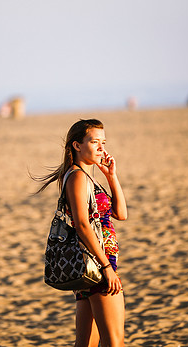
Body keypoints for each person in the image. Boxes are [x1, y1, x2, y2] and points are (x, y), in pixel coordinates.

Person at [33, 119, 128, 347]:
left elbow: (121, 213)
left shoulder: (86, 177)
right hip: (96, 263)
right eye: (94, 142)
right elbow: (83, 225)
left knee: (86, 343)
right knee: (114, 342)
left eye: (103, 142)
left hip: (93, 265)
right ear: (77, 145)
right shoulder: (76, 177)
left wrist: (111, 176)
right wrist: (106, 267)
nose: (101, 148)